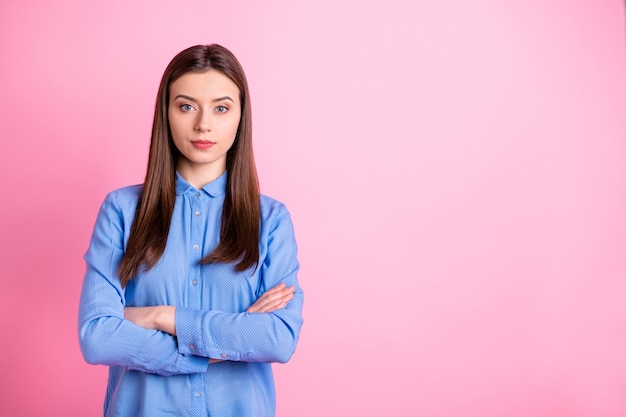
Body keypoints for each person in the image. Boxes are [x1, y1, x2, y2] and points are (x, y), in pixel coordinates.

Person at [78, 44, 304, 417]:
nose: (204, 124)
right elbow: (98, 338)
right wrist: (220, 345)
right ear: (166, 113)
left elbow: (278, 339)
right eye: (186, 106)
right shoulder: (121, 211)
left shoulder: (272, 220)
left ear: (240, 117)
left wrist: (158, 317)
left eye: (221, 107)